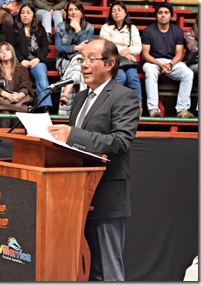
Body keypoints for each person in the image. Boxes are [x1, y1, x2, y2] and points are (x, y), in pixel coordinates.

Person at [48, 38, 140, 281]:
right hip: (74, 197)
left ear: (110, 63)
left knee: (107, 272)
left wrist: (72, 134)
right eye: (81, 59)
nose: (83, 65)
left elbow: (120, 142)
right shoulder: (79, 98)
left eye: (91, 59)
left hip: (106, 196)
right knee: (82, 270)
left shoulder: (124, 97)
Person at [141, 2, 194, 118]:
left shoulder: (177, 31)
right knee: (150, 71)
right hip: (152, 62)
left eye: (166, 13)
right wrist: (160, 64)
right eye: (160, 13)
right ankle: (153, 109)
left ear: (171, 15)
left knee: (188, 73)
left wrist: (170, 64)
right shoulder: (148, 30)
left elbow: (179, 54)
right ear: (156, 15)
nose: (163, 15)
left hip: (171, 62)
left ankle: (182, 109)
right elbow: (145, 54)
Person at [99, 1, 143, 115]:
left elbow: (138, 46)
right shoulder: (106, 28)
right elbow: (106, 45)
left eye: (119, 10)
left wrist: (128, 51)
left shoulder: (132, 28)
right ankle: (116, 106)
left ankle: (137, 106)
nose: (116, 13)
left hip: (128, 60)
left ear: (125, 12)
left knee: (133, 78)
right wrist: (121, 52)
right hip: (112, 59)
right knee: (120, 78)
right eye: (113, 11)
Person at [7, 3, 51, 113]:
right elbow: (12, 48)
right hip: (20, 60)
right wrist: (22, 60)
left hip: (36, 61)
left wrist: (38, 59)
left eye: (28, 13)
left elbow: (45, 48)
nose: (25, 15)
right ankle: (20, 105)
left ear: (33, 15)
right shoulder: (14, 29)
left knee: (41, 73)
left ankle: (44, 106)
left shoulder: (40, 29)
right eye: (22, 13)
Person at [54, 0, 92, 110]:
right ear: (66, 13)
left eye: (76, 9)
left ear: (81, 13)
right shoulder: (60, 26)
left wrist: (78, 29)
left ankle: (65, 94)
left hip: (82, 61)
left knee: (79, 60)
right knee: (79, 60)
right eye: (70, 10)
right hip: (64, 61)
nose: (73, 12)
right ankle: (83, 100)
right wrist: (76, 48)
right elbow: (59, 47)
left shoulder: (89, 28)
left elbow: (87, 49)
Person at [0, 42, 34, 128]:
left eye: (7, 50)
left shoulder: (22, 69)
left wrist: (19, 96)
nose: (4, 52)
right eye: (1, 51)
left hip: (18, 103)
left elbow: (26, 86)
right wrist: (8, 95)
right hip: (0, 104)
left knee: (18, 115)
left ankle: (17, 141)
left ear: (12, 52)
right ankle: (4, 141)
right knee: (5, 114)